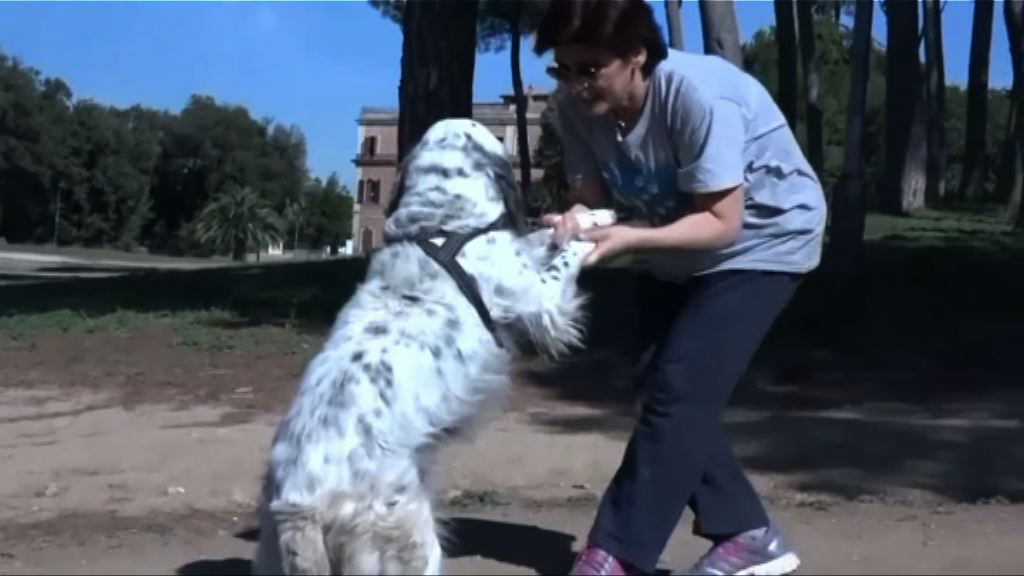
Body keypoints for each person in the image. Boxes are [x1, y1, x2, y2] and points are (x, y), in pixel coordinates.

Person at [531, 1, 827, 575]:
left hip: (762, 240)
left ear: (636, 54)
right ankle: (747, 533)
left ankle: (614, 554)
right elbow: (592, 196)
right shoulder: (576, 111)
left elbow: (721, 223)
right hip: (675, 242)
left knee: (679, 387)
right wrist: (573, 221)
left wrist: (629, 238)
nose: (573, 84)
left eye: (589, 68)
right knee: (662, 383)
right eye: (562, 70)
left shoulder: (696, 95)